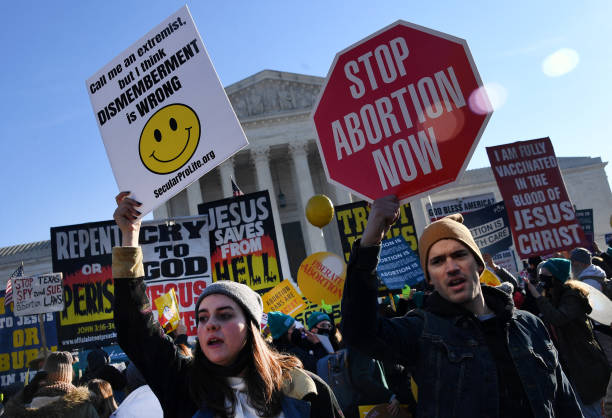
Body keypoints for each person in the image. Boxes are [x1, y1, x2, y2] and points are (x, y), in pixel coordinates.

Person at [340, 195, 582, 417]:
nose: (451, 267)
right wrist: (371, 240)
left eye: (459, 255)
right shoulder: (422, 332)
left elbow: (565, 403)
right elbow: (359, 332)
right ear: (430, 278)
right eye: (437, 261)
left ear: (478, 265)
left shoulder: (529, 325)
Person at [112, 192, 343, 418]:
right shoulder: (184, 384)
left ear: (251, 326)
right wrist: (130, 236)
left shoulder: (306, 390)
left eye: (224, 315)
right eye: (202, 318)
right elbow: (135, 326)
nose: (210, 324)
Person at [524, 258, 610, 417]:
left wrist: (539, 297)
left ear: (556, 276)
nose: (542, 279)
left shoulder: (571, 296)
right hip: (572, 364)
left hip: (585, 362)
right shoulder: (554, 296)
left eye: (545, 275)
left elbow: (558, 318)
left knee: (593, 409)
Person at [4, 351, 100, 417]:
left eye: (43, 367)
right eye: (39, 367)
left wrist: (25, 393)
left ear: (46, 373)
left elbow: (9, 413)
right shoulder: (83, 405)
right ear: (69, 374)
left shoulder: (30, 405)